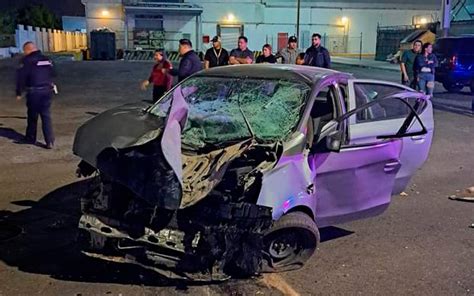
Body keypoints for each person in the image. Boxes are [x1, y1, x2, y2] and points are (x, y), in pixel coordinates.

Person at [16, 41, 55, 149]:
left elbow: (21, 78)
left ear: (28, 50)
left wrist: (19, 92)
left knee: (32, 116)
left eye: (25, 51)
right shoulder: (47, 59)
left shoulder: (27, 60)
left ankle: (30, 138)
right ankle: (50, 141)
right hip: (47, 91)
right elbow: (53, 73)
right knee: (46, 115)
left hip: (34, 92)